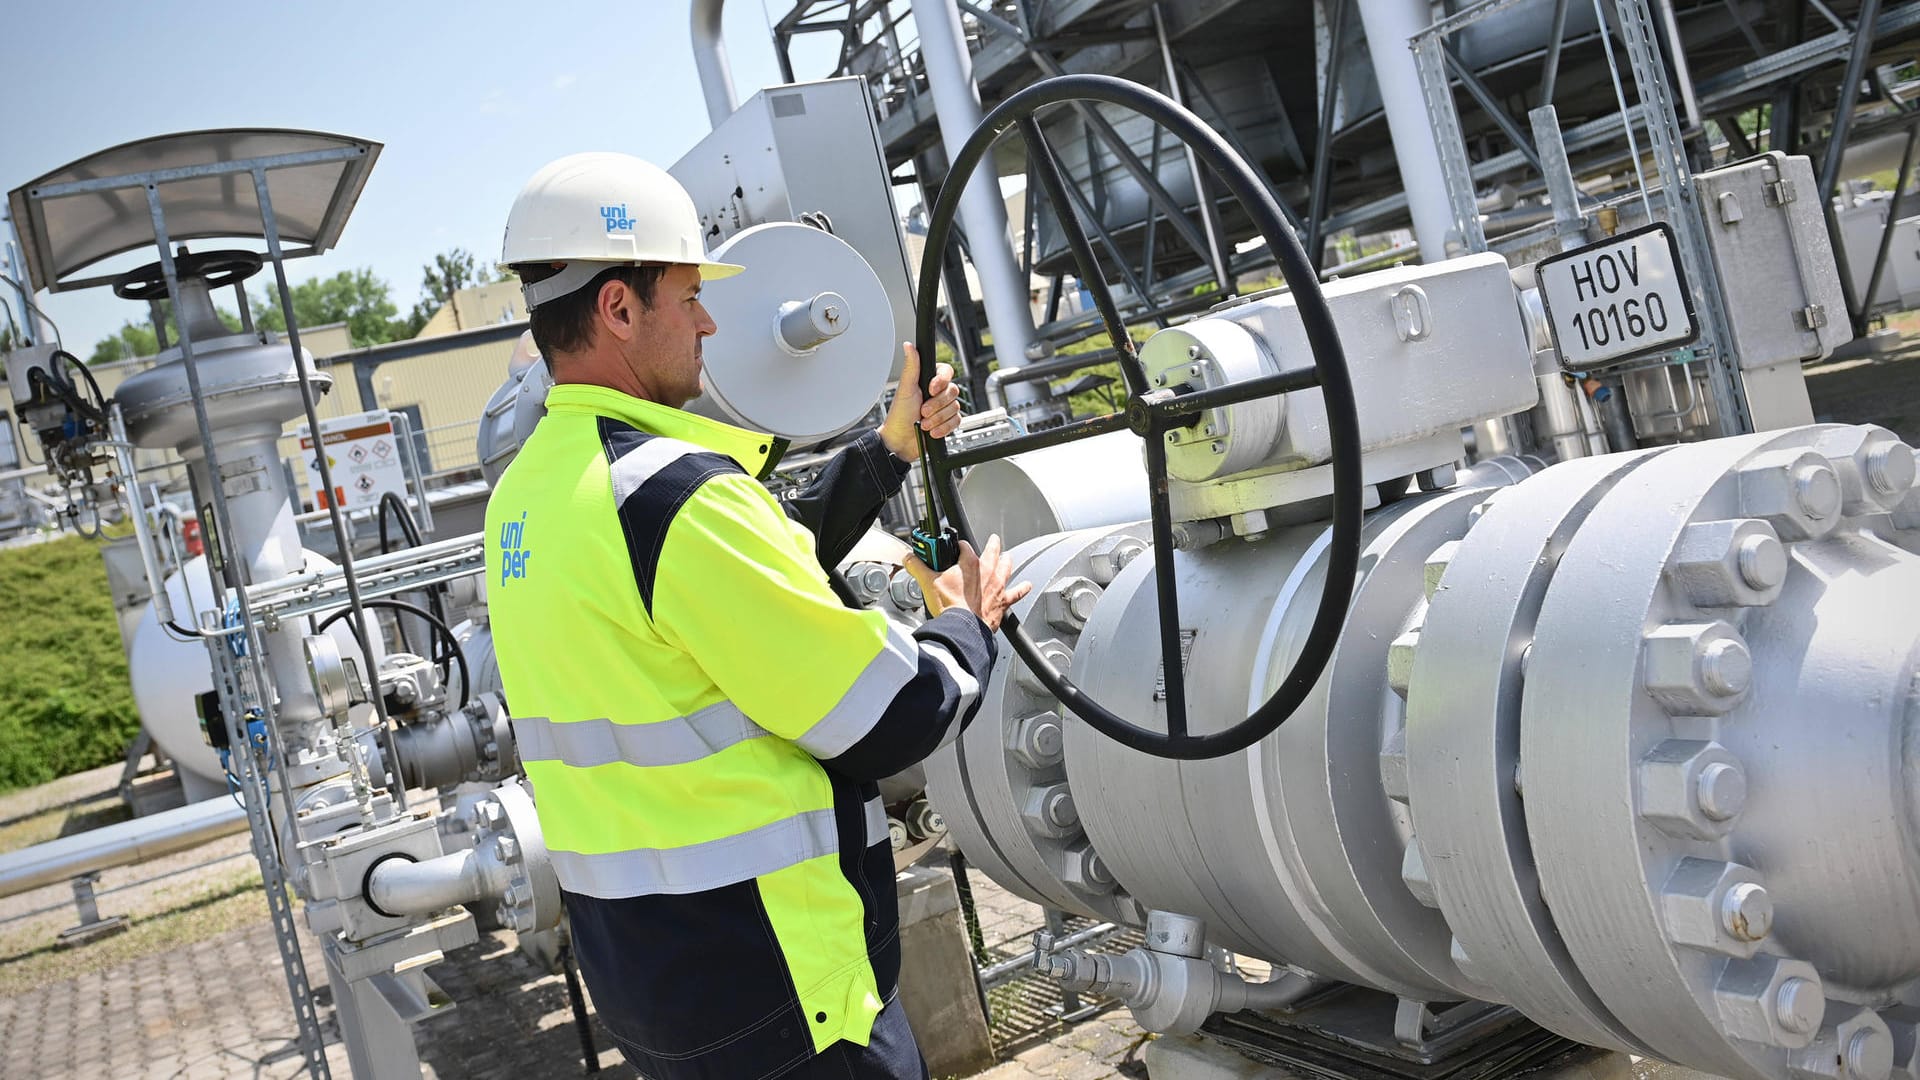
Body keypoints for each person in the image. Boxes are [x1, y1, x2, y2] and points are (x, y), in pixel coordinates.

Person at [484, 151, 1030, 1080]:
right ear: (619, 307)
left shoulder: (529, 494)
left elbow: (728, 590)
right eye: (688, 296)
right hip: (784, 998)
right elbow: (887, 717)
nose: (705, 322)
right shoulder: (677, 499)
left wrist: (891, 449)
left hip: (655, 988)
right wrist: (963, 629)